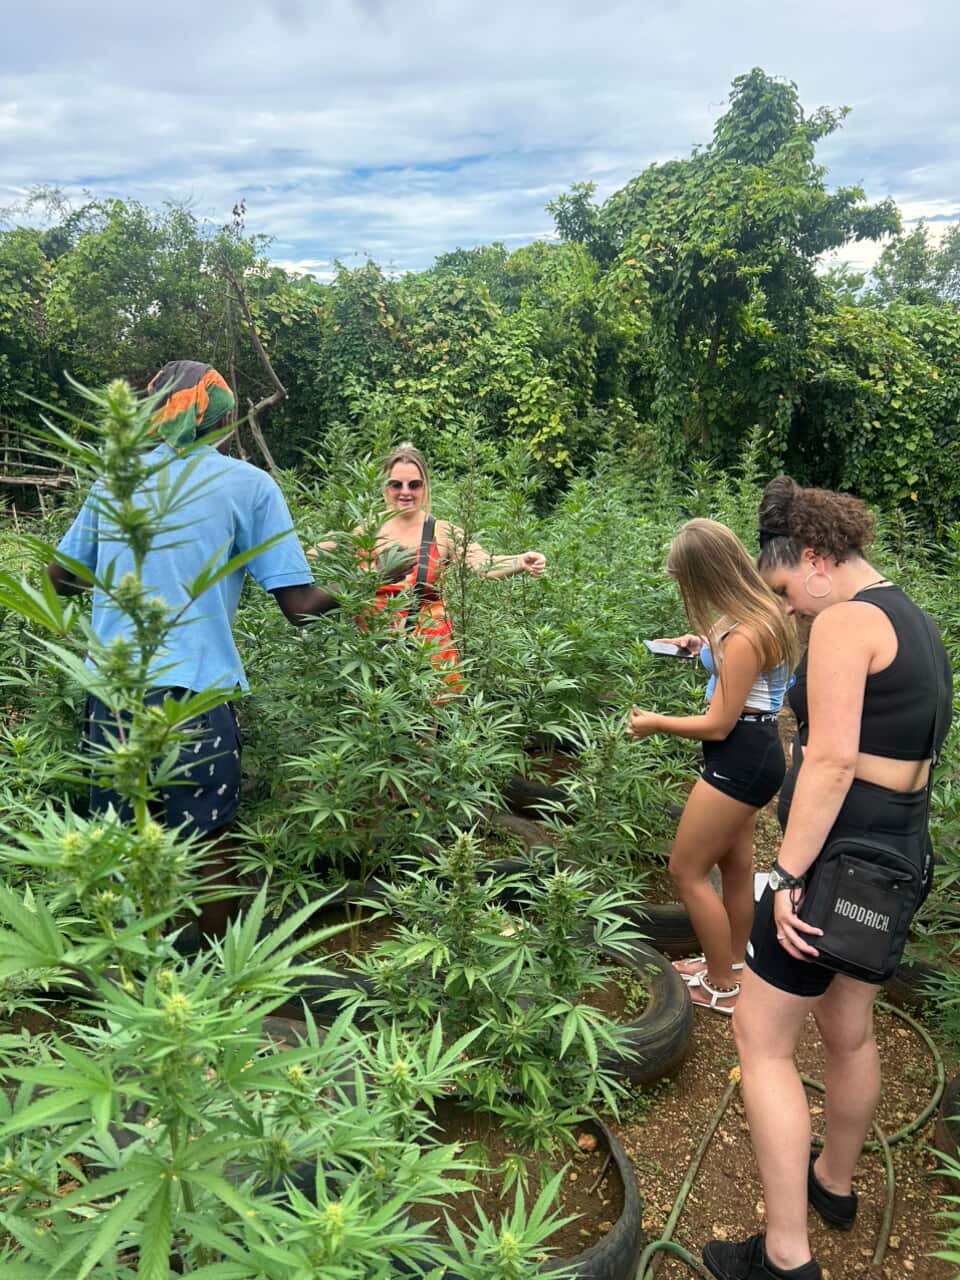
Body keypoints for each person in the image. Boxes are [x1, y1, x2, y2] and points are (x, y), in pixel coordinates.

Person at [701, 477, 952, 1280]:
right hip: (898, 854)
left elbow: (836, 759)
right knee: (848, 1031)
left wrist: (783, 877)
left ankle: (784, 1258)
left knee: (762, 1041)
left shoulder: (847, 621)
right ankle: (833, 1186)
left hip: (837, 862)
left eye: (785, 592)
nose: (794, 612)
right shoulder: (909, 614)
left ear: (813, 558)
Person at [48, 360, 339, 936]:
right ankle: (203, 977)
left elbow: (62, 578)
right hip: (196, 694)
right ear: (222, 420)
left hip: (113, 691)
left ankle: (127, 961)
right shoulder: (249, 485)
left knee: (114, 830)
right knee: (205, 838)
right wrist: (362, 589)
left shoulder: (115, 481)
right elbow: (300, 606)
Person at [626, 519, 796, 1015]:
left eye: (688, 581)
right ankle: (734, 964)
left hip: (739, 755)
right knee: (735, 866)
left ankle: (721, 984)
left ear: (709, 574)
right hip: (754, 752)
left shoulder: (745, 634)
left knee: (686, 869)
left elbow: (720, 723)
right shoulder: (753, 612)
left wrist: (657, 723)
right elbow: (731, 662)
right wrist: (698, 648)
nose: (687, 591)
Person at [312, 442, 546, 690]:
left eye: (414, 484)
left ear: (425, 487)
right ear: (385, 487)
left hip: (429, 657)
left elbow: (482, 563)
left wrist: (519, 561)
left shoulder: (441, 532)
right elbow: (312, 552)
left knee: (426, 727)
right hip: (371, 656)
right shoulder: (364, 530)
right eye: (396, 484)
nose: (405, 492)